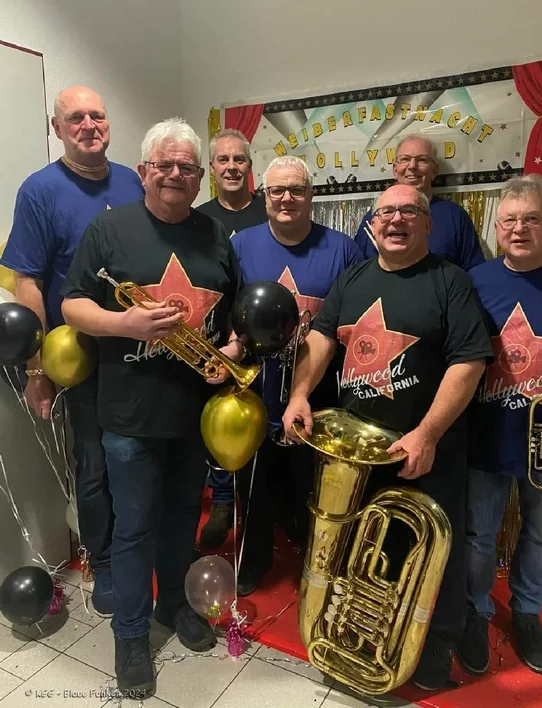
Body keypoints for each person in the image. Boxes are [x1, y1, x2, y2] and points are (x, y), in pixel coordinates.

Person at [283, 183, 493, 690]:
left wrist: (427, 433)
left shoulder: (450, 281)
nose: (396, 220)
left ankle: (436, 645)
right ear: (373, 225)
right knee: (360, 556)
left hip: (424, 449)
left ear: (427, 224)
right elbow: (320, 338)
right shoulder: (353, 277)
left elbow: (469, 362)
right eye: (386, 213)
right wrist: (299, 395)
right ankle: (354, 640)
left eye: (409, 212)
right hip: (357, 452)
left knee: (431, 561)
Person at [61, 118, 244, 696]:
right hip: (129, 415)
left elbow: (233, 318)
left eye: (186, 167)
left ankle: (173, 608)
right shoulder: (108, 229)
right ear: (143, 171)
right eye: (163, 165)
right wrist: (126, 324)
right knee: (135, 527)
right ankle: (131, 634)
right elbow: (71, 305)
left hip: (192, 413)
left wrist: (231, 351)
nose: (174, 175)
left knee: (180, 519)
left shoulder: (216, 235)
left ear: (199, 177)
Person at [0, 85, 144, 616]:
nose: (88, 125)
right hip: (82, 357)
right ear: (57, 128)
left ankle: (139, 546)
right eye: (75, 117)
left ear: (108, 123)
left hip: (140, 351)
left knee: (141, 456)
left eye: (97, 115)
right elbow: (28, 283)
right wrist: (38, 369)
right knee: (95, 464)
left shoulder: (133, 181)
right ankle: (102, 560)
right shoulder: (39, 190)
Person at [457, 174, 542, 676]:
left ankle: (527, 612)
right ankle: (476, 612)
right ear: (497, 227)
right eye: (509, 220)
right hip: (486, 432)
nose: (519, 229)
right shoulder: (474, 280)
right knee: (477, 535)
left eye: (531, 219)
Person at [230, 155, 362, 596]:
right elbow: (231, 313)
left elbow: (354, 319)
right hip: (256, 386)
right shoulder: (241, 245)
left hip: (318, 388)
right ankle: (254, 559)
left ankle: (314, 564)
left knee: (311, 483)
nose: (287, 198)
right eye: (277, 190)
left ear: (311, 195)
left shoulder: (343, 249)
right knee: (255, 482)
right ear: (264, 196)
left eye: (297, 189)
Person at [196, 129, 267, 550]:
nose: (231, 167)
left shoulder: (269, 210)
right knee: (222, 421)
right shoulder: (200, 218)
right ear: (212, 168)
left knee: (262, 422)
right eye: (223, 160)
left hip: (264, 335)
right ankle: (222, 503)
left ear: (250, 165)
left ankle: (261, 508)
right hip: (219, 339)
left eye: (239, 159)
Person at [354, 135, 485, 271]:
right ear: (395, 170)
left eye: (422, 160)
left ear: (434, 171)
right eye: (405, 159)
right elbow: (358, 272)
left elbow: (475, 272)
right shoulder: (375, 217)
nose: (412, 166)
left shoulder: (455, 216)